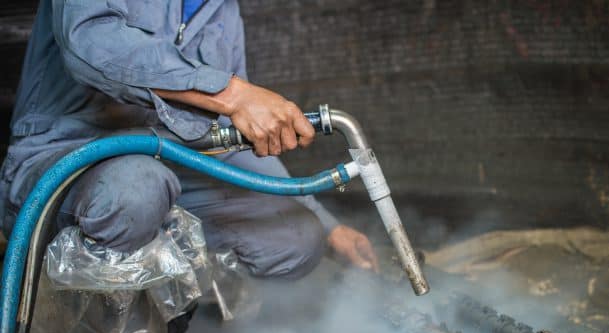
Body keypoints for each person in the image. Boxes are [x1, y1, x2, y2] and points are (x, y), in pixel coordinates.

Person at [1, 0, 379, 284]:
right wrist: (232, 94)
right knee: (138, 192)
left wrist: (328, 226)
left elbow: (233, 137)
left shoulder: (223, 11)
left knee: (295, 237)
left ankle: (184, 323)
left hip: (172, 167)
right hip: (67, 158)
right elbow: (91, 42)